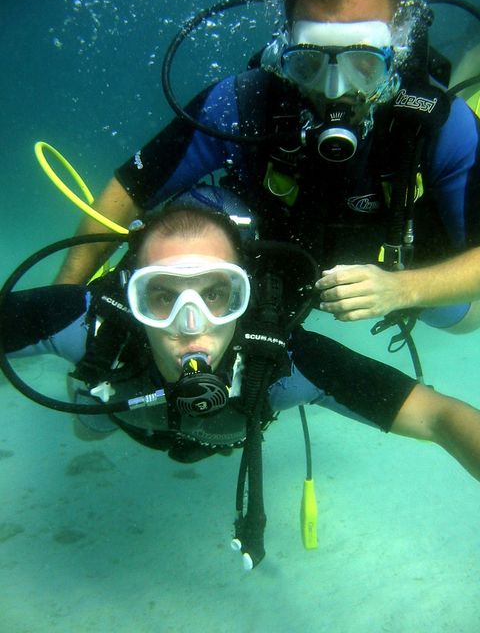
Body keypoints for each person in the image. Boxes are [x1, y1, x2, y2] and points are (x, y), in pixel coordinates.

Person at [3, 201, 480, 563]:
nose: (190, 324)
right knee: (88, 427)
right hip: (119, 405)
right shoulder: (92, 327)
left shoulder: (282, 363)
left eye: (215, 294)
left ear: (243, 296)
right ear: (133, 298)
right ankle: (93, 397)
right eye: (162, 296)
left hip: (214, 432)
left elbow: (440, 416)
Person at [53, 0, 480, 335]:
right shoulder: (243, 102)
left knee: (461, 316)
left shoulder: (442, 125)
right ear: (284, 49)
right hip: (275, 262)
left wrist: (403, 290)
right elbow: (131, 190)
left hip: (402, 268)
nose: (335, 91)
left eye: (364, 64)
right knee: (199, 209)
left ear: (395, 51)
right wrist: (61, 304)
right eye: (309, 63)